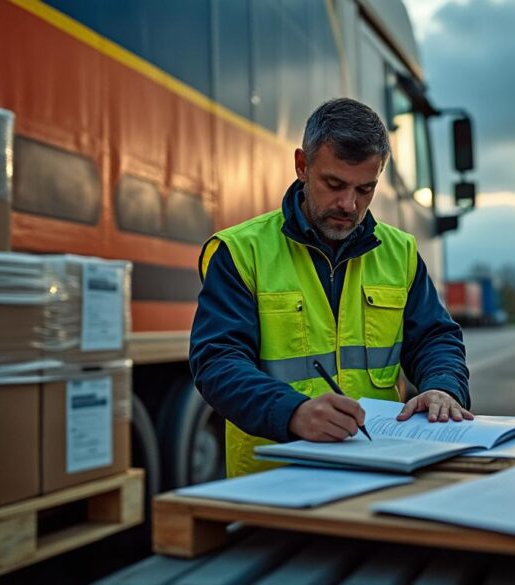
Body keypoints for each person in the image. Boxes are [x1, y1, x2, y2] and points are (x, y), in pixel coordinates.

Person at [189, 98, 472, 477]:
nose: (349, 204)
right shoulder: (241, 251)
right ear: (302, 166)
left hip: (380, 471)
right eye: (334, 184)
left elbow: (435, 338)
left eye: (365, 189)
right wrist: (291, 413)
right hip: (273, 482)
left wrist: (443, 389)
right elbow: (218, 361)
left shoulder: (400, 252)